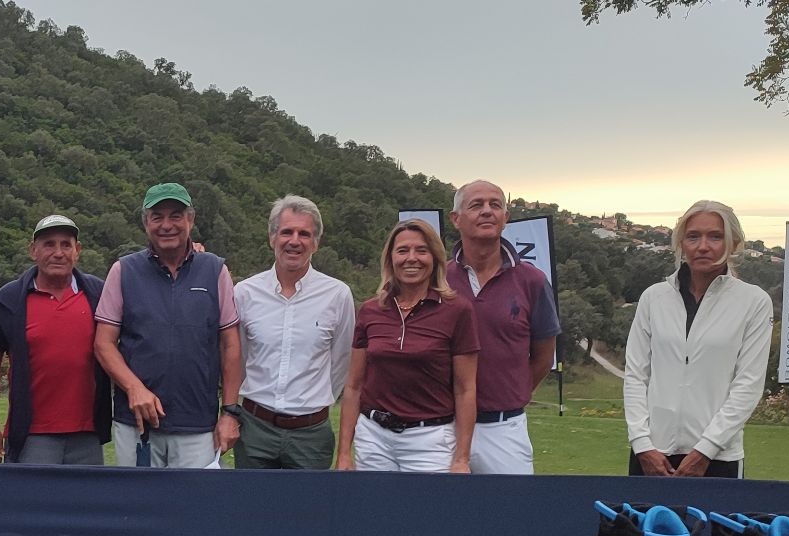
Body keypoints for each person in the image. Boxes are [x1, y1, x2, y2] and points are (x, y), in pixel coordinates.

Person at [94, 183, 242, 469]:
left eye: (176, 215)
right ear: (145, 223)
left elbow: (230, 345)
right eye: (157, 217)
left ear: (191, 220)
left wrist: (230, 413)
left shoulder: (215, 270)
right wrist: (134, 388)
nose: (166, 225)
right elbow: (103, 343)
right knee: (136, 498)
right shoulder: (123, 270)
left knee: (194, 500)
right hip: (136, 425)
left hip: (197, 426)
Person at [624, 199, 774, 479]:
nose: (703, 246)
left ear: (734, 243)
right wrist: (642, 444)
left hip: (718, 457)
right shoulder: (654, 298)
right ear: (681, 243)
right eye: (693, 237)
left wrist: (706, 450)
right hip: (651, 455)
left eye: (715, 236)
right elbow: (635, 376)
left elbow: (748, 385)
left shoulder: (753, 302)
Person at [336, 218, 477, 473]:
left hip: (430, 441)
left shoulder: (457, 311)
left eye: (421, 250)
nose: (412, 258)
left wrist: (462, 459)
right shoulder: (370, 310)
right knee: (373, 501)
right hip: (374, 438)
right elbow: (354, 386)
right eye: (402, 250)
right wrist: (344, 453)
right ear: (390, 258)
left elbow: (465, 389)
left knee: (425, 502)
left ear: (435, 258)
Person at [446, 179, 560, 475]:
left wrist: (513, 392)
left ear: (505, 218)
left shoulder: (532, 281)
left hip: (504, 428)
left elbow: (544, 355)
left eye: (495, 205)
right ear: (456, 219)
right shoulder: (438, 280)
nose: (487, 211)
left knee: (511, 505)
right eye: (476, 205)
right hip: (443, 426)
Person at [232, 195, 355, 470]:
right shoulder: (245, 293)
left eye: (304, 234)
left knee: (309, 501)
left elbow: (341, 363)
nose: (294, 241)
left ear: (316, 243)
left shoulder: (337, 295)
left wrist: (309, 401)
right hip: (254, 429)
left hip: (310, 435)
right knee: (249, 499)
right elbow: (238, 360)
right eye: (287, 232)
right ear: (272, 238)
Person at [0, 214, 111, 465]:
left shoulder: (99, 294)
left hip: (87, 433)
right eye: (49, 244)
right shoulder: (9, 300)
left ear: (77, 250)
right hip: (32, 434)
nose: (58, 253)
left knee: (88, 493)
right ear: (33, 251)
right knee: (30, 492)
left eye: (66, 245)